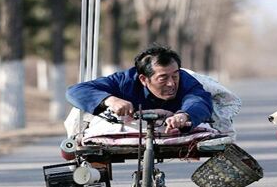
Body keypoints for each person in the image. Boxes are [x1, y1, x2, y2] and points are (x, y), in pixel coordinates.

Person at [66, 46, 213, 134]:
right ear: (143, 79)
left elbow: (198, 99)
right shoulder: (125, 81)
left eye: (175, 76)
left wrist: (183, 116)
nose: (171, 83)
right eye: (163, 78)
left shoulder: (186, 80)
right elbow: (76, 91)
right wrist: (110, 100)